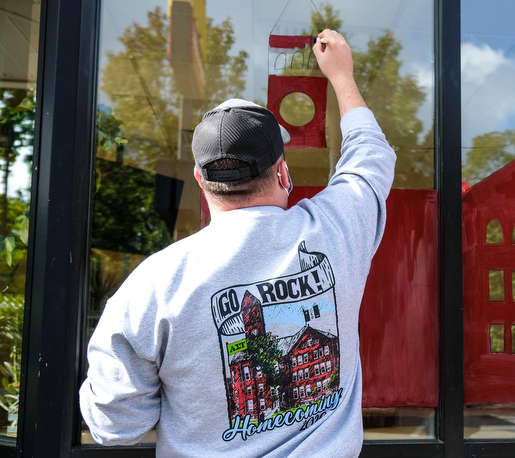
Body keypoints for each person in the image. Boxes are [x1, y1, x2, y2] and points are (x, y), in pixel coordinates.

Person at [79, 29, 395, 457]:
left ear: (200, 183)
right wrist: (341, 76)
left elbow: (114, 426)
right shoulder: (337, 229)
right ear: (283, 174)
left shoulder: (154, 283)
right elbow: (370, 154)